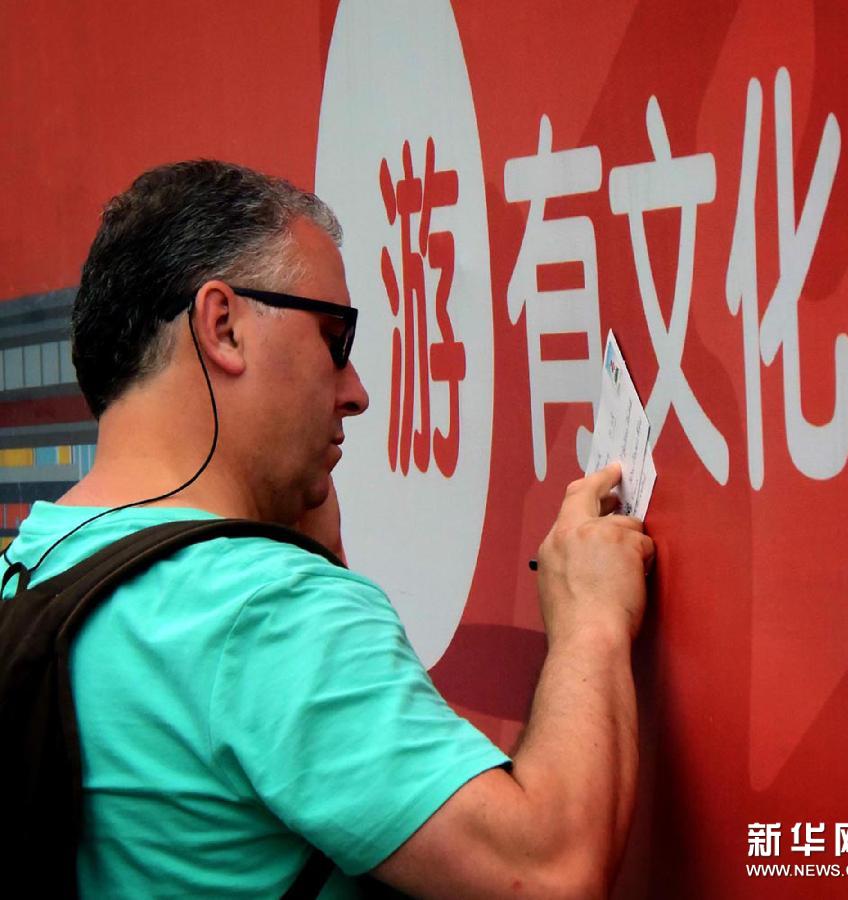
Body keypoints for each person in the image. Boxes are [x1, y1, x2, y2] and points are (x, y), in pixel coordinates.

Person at [0, 161, 654, 899]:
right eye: (334, 337)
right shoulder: (268, 612)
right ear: (223, 326)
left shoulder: (28, 569)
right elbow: (549, 872)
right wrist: (591, 619)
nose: (357, 391)